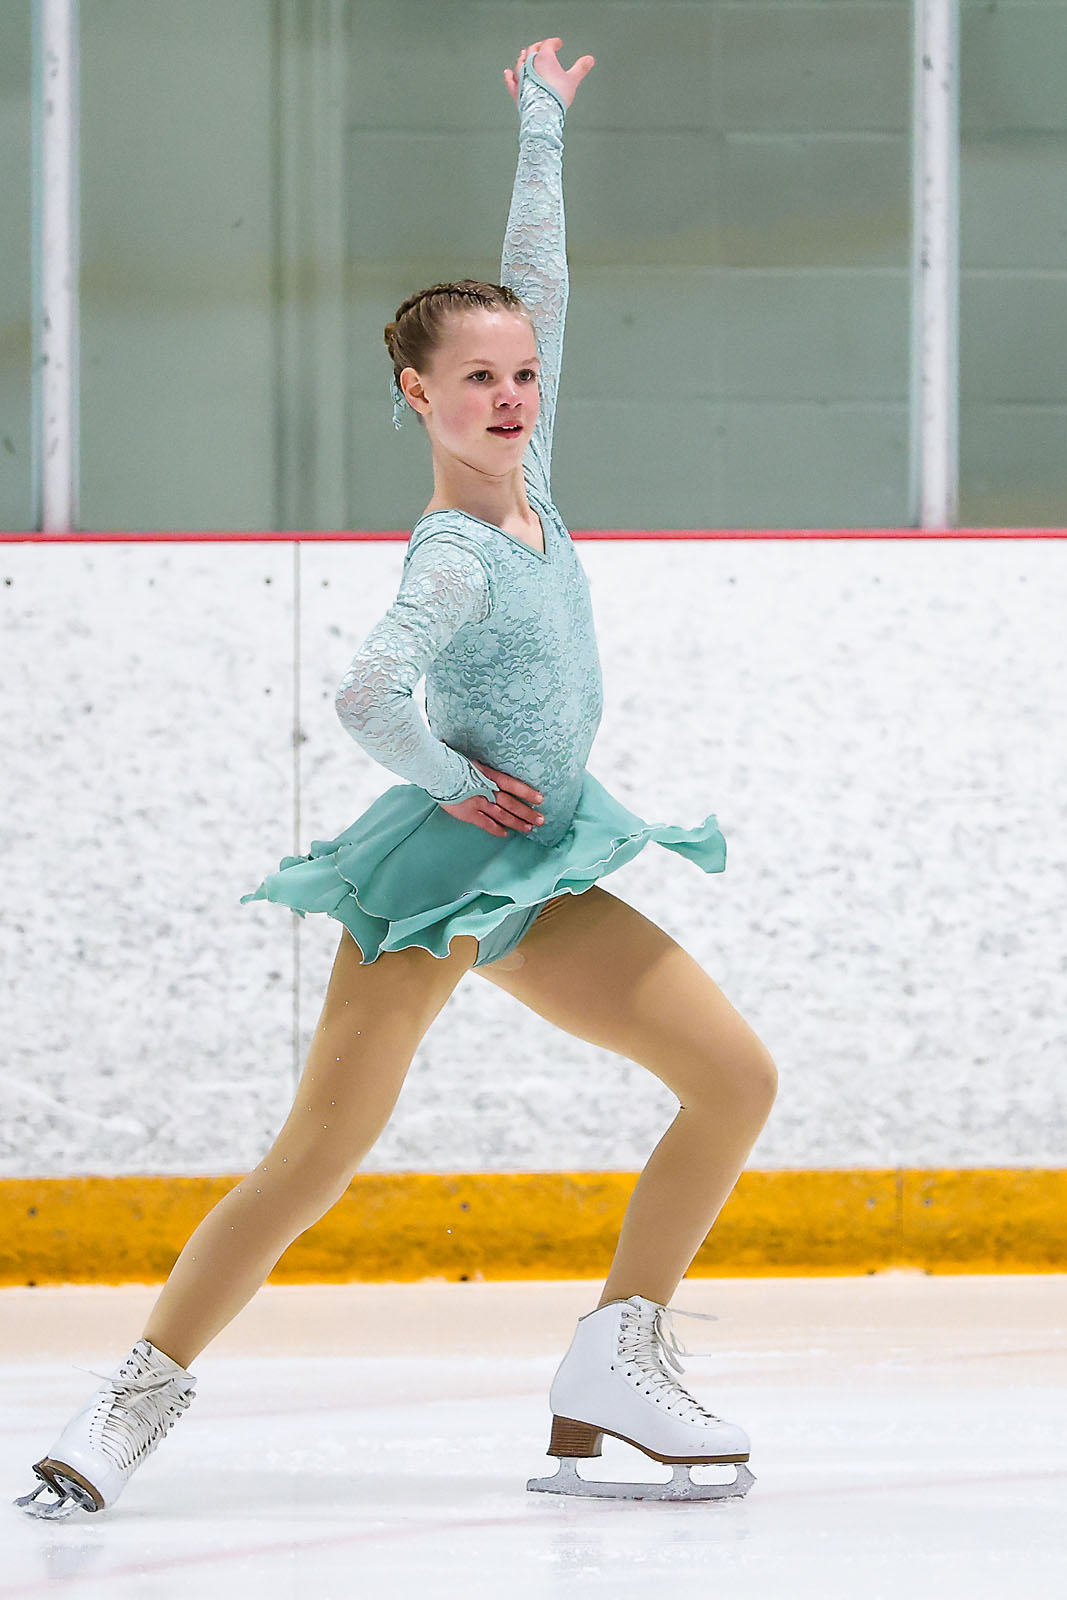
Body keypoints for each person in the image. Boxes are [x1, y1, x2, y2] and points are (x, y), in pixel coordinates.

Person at [16, 37, 776, 1517]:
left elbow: (537, 282)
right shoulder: (455, 553)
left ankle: (617, 1357)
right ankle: (127, 1404)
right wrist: (449, 777)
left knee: (733, 1078)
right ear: (417, 397)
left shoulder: (534, 480)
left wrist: (542, 125)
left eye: (523, 376)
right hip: (444, 874)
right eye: (477, 380)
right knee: (317, 1156)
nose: (510, 395)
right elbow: (366, 691)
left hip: (545, 863)